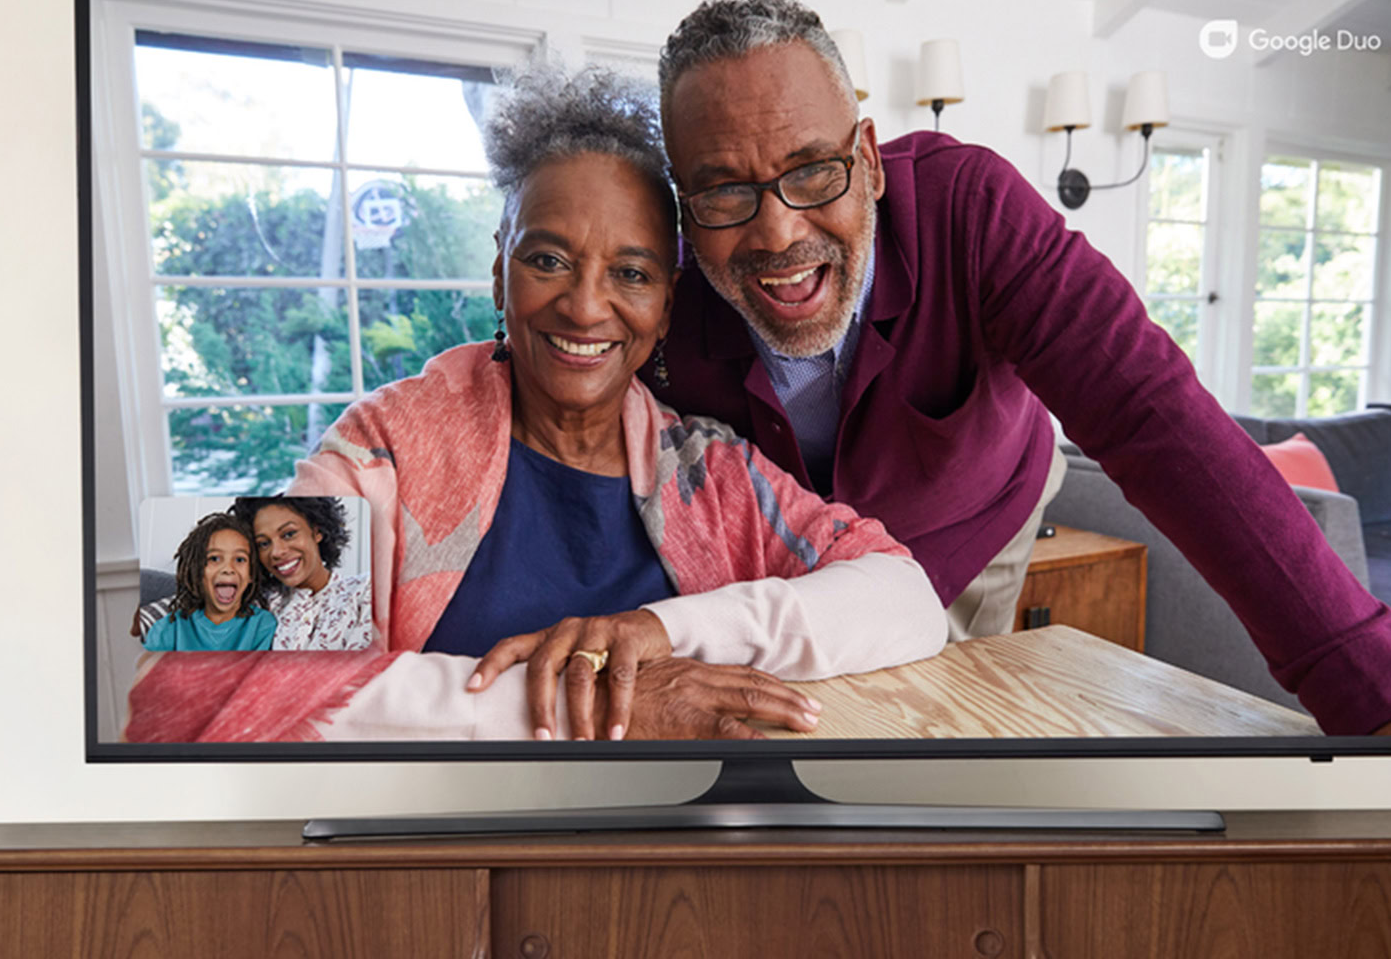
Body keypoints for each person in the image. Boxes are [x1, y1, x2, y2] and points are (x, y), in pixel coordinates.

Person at [650, 0, 1391, 737]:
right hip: (781, 558)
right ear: (685, 210)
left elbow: (1156, 417)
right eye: (723, 191)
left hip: (975, 512)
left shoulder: (973, 210)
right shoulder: (658, 292)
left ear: (871, 161)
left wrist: (1376, 697)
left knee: (943, 708)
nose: (778, 232)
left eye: (815, 169)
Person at [123, 66, 946, 743]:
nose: (586, 308)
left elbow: (907, 601)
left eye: (631, 273)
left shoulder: (708, 467)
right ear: (499, 270)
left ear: (666, 301)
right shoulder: (389, 443)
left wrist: (661, 634)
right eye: (548, 259)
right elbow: (193, 677)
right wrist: (582, 705)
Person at [230, 495, 373, 652]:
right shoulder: (258, 607)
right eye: (263, 544)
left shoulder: (366, 593)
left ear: (317, 531)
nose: (276, 552)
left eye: (289, 534)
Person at [141, 513, 277, 652]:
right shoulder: (170, 629)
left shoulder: (262, 626)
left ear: (251, 574)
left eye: (240, 559)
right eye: (214, 559)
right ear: (196, 571)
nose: (228, 569)